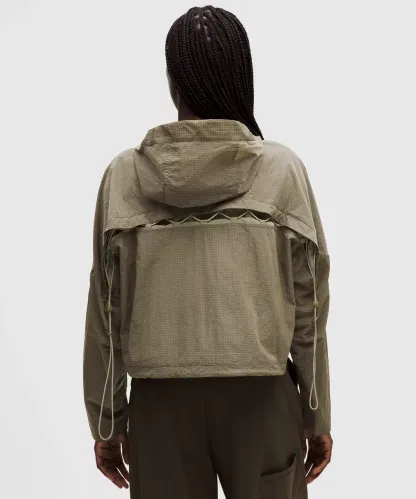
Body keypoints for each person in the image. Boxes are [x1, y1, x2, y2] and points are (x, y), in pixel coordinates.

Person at [83, 5, 333, 498]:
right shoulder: (281, 171)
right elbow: (310, 309)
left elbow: (105, 313)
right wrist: (316, 410)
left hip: (159, 409)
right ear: (243, 75)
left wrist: (107, 421)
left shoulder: (124, 177)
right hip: (262, 402)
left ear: (173, 82)